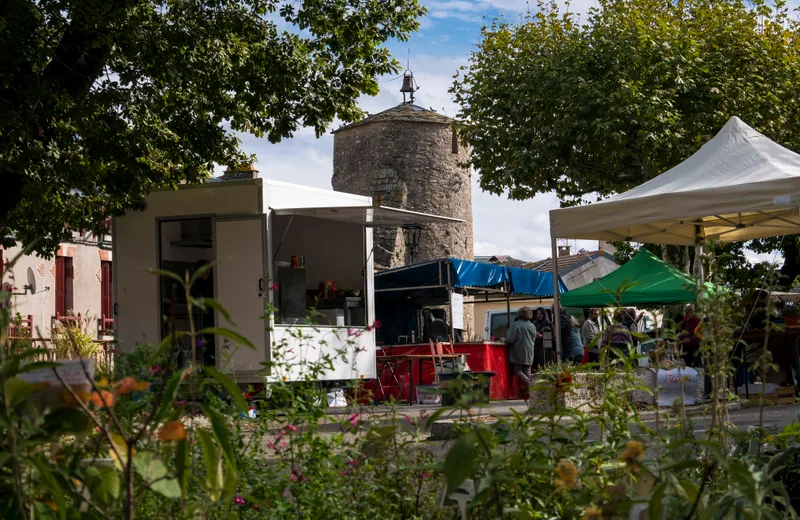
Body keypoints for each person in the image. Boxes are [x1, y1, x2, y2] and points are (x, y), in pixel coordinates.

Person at [504, 306, 538, 400]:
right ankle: (532, 392)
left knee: (517, 370)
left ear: (519, 314)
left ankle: (531, 385)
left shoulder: (516, 325)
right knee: (527, 371)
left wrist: (504, 339)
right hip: (530, 351)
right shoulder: (532, 326)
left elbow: (510, 339)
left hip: (519, 351)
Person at [191, 259, 215, 368]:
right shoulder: (197, 282)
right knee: (203, 340)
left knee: (210, 341)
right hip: (203, 316)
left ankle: (210, 363)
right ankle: (204, 364)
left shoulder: (212, 281)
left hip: (212, 316)